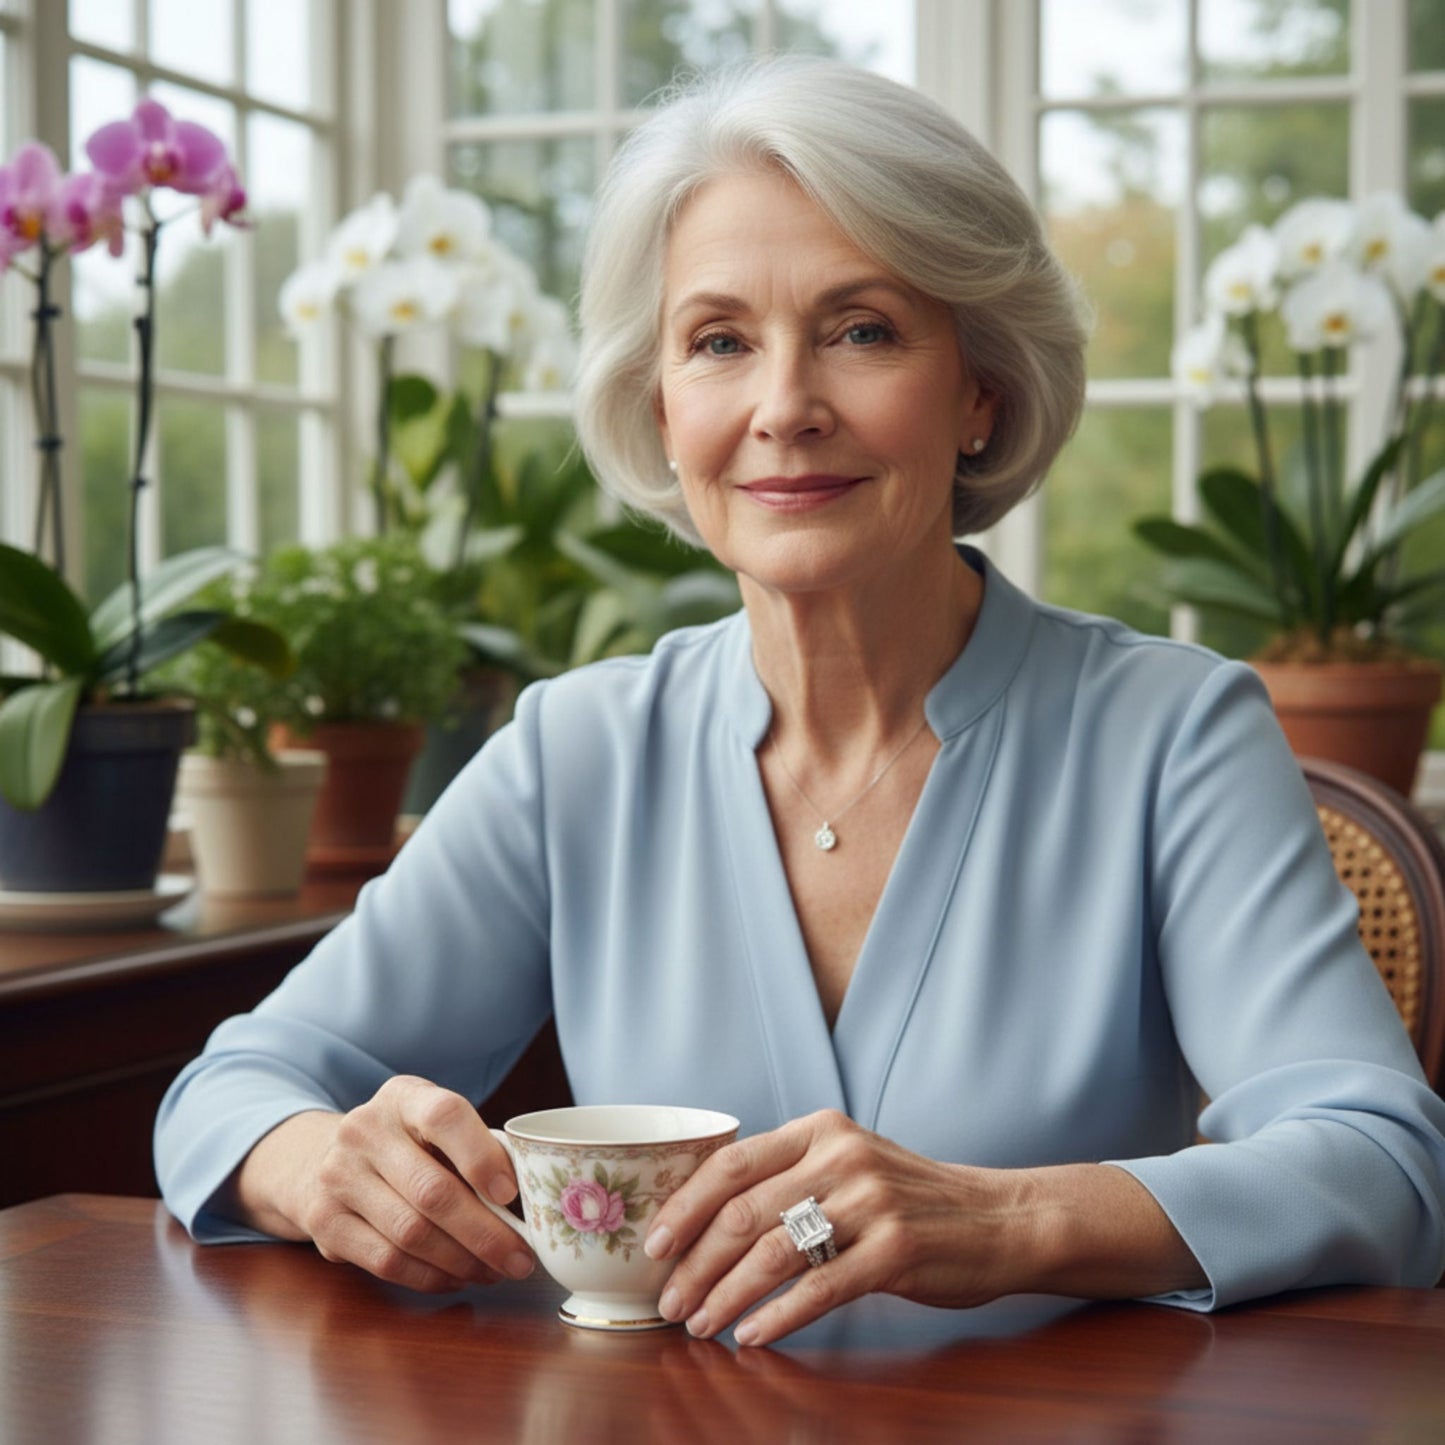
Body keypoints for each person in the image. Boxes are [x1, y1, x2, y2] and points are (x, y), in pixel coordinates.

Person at [155, 57, 1445, 1348]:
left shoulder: (1173, 734)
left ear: (980, 390)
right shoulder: (575, 753)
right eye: (719, 342)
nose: (784, 408)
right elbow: (232, 1089)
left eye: (861, 329)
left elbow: (1384, 1168)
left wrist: (1004, 1220)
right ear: (662, 407)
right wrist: (318, 1165)